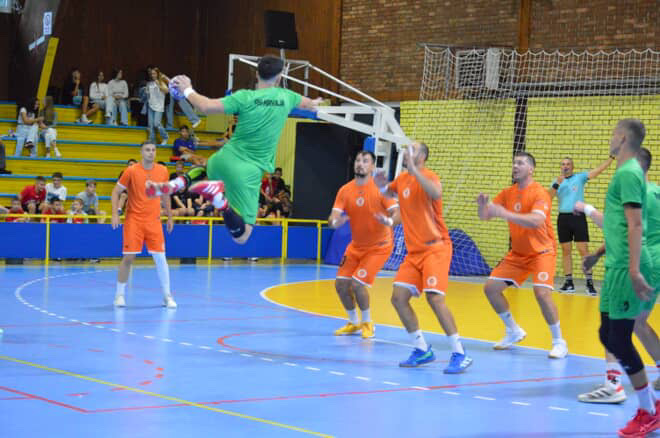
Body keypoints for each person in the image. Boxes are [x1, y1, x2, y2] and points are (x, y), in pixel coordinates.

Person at [147, 55, 322, 245]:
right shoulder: (286, 96)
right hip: (247, 172)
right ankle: (220, 202)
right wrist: (316, 104)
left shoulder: (244, 97)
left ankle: (178, 183)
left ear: (257, 74)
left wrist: (187, 89)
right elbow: (308, 104)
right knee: (242, 236)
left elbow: (205, 106)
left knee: (207, 167)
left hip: (222, 159)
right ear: (280, 78)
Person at [576, 120, 658, 437]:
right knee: (607, 334)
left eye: (613, 134)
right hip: (615, 265)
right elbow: (618, 224)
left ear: (622, 138)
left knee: (621, 338)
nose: (610, 139)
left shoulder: (628, 174)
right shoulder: (624, 173)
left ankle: (649, 411)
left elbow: (635, 225)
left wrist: (635, 270)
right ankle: (649, 402)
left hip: (627, 266)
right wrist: (599, 255)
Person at [375, 143, 473, 373]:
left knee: (434, 299)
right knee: (398, 298)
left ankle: (460, 352)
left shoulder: (429, 177)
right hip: (414, 252)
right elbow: (392, 197)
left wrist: (414, 171)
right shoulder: (402, 180)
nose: (407, 151)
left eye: (413, 149)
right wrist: (380, 186)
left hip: (436, 248)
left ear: (423, 156)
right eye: (406, 149)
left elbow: (436, 193)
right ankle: (421, 349)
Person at [477, 151, 568, 359]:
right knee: (491, 288)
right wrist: (482, 207)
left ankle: (559, 342)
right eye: (514, 163)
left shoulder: (539, 193)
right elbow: (485, 216)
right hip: (518, 254)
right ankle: (513, 330)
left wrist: (504, 213)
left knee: (541, 293)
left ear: (531, 169)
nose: (515, 166)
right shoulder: (507, 193)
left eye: (520, 163)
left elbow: (536, 221)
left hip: (542, 252)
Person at [328, 151, 399, 339]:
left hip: (379, 247)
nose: (360, 164)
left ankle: (368, 323)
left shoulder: (381, 189)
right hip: (356, 246)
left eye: (365, 161)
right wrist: (334, 222)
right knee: (341, 285)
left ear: (373, 167)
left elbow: (397, 213)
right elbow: (333, 217)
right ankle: (354, 322)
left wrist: (389, 221)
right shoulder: (345, 190)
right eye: (358, 160)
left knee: (357, 284)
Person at [111, 142, 176, 308]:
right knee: (128, 257)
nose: (151, 153)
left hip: (154, 221)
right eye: (147, 150)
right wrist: (114, 214)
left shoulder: (163, 170)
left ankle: (167, 296)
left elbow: (165, 195)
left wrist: (169, 216)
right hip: (134, 220)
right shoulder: (131, 171)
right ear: (141, 152)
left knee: (161, 258)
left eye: (153, 150)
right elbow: (116, 191)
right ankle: (119, 295)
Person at [550, 156, 614, 294]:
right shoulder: (556, 181)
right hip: (563, 218)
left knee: (583, 250)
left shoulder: (579, 178)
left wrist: (611, 158)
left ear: (572, 167)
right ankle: (569, 283)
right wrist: (557, 184)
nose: (565, 166)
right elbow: (548, 198)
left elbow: (597, 171)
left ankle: (589, 283)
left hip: (578, 217)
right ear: (561, 167)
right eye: (563, 164)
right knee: (565, 250)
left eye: (568, 164)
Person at [146, 68, 169, 145]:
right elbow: (148, 93)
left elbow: (167, 91)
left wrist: (158, 84)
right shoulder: (150, 83)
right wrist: (147, 91)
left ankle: (165, 136)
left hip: (159, 107)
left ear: (158, 74)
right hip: (151, 105)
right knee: (151, 125)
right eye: (152, 74)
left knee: (156, 123)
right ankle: (152, 141)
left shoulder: (161, 82)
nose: (153, 75)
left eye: (154, 73)